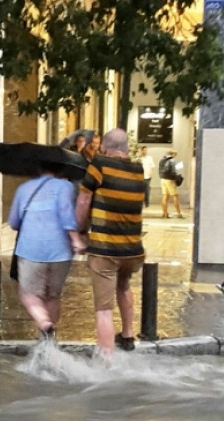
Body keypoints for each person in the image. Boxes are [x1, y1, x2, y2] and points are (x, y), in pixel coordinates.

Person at [76, 128, 146, 356]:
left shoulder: (99, 165)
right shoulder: (138, 170)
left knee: (103, 307)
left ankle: (108, 360)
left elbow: (84, 200)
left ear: (105, 148)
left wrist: (80, 230)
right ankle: (128, 336)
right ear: (126, 149)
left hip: (106, 248)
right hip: (133, 249)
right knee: (124, 285)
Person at [8, 161, 86, 340]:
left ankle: (44, 323)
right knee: (53, 295)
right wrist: (76, 239)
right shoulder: (66, 186)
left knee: (29, 294)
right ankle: (48, 342)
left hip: (30, 250)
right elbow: (67, 214)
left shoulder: (24, 189)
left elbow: (13, 222)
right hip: (60, 252)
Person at [158, 150, 185, 218]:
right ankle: (179, 213)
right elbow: (173, 172)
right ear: (172, 154)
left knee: (165, 196)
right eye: (175, 155)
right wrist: (177, 177)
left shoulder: (161, 160)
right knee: (175, 196)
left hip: (162, 179)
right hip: (170, 180)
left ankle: (165, 213)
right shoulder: (172, 160)